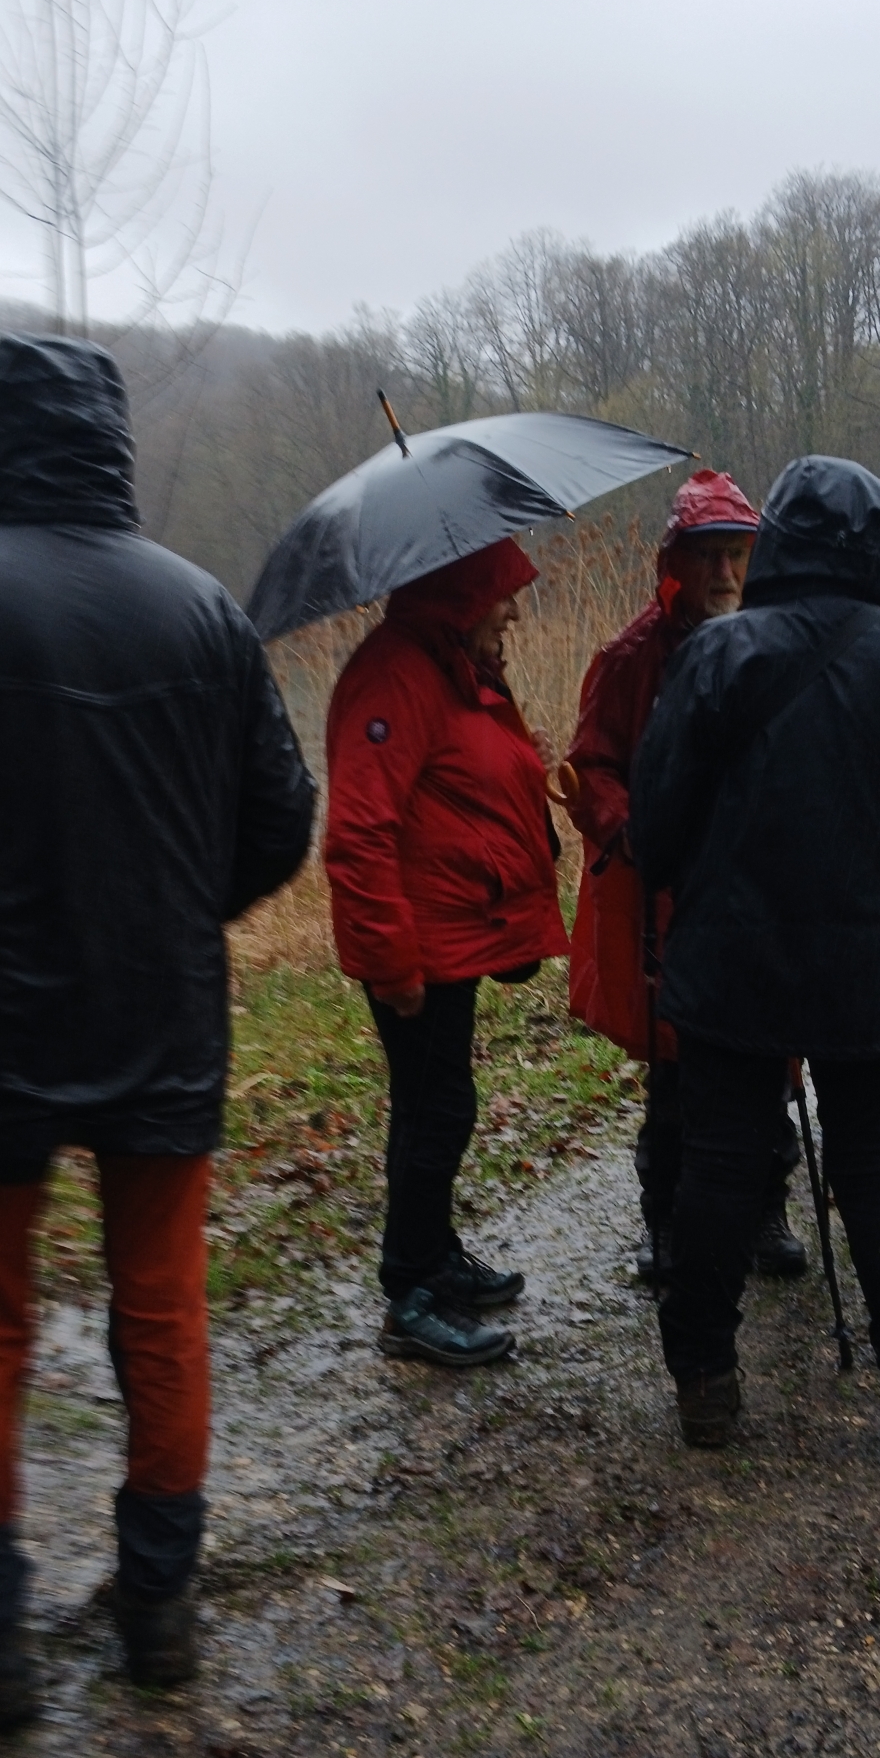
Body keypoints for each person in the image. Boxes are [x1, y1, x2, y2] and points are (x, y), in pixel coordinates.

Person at [0, 336, 313, 1721]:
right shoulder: (203, 608)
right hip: (161, 1014)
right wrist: (171, 917)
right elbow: (283, 817)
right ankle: (159, 1609)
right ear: (110, 450)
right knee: (162, 1306)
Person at [631, 456, 880, 1465]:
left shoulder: (714, 655)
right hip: (872, 958)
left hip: (731, 959)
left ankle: (705, 1383)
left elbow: (656, 826)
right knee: (879, 1174)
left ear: (777, 542)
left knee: (722, 1165)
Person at [324, 537, 568, 1369]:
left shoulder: (446, 666)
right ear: (462, 592)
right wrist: (391, 963)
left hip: (451, 938)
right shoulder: (395, 675)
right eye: (499, 592)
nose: (513, 608)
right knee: (434, 1114)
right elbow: (360, 834)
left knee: (443, 1104)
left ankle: (435, 1257)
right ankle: (412, 1292)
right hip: (418, 950)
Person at [563, 469, 805, 1289]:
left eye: (737, 556)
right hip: (667, 901)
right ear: (678, 563)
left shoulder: (774, 642)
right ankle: (666, 1222)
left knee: (772, 1057)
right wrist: (634, 829)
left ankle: (767, 1210)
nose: (725, 575)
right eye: (710, 557)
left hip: (762, 888)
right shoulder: (631, 658)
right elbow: (589, 767)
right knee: (677, 1073)